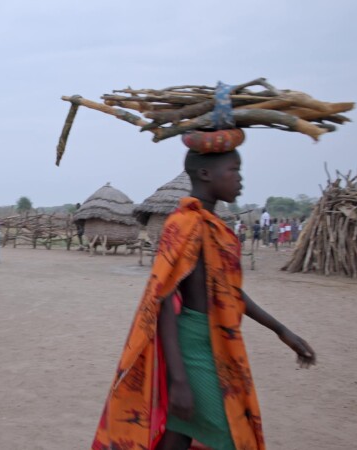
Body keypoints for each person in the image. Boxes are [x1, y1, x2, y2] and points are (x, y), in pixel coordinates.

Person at [92, 144, 315, 450]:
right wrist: (179, 379)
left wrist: (281, 330)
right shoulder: (184, 226)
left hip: (218, 343)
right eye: (234, 170)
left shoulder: (215, 229)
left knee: (179, 434)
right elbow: (165, 302)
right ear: (205, 174)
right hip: (191, 349)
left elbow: (229, 294)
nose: (240, 179)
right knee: (229, 435)